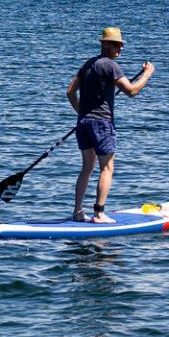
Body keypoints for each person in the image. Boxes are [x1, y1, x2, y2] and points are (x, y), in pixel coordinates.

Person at [66, 27, 154, 223]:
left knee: (87, 167)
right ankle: (98, 213)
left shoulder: (87, 65)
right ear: (104, 44)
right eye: (116, 44)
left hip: (83, 123)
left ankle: (77, 212)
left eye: (121, 45)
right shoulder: (110, 66)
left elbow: (70, 92)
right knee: (107, 167)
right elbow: (131, 91)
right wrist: (147, 73)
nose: (119, 49)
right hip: (101, 123)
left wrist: (82, 113)